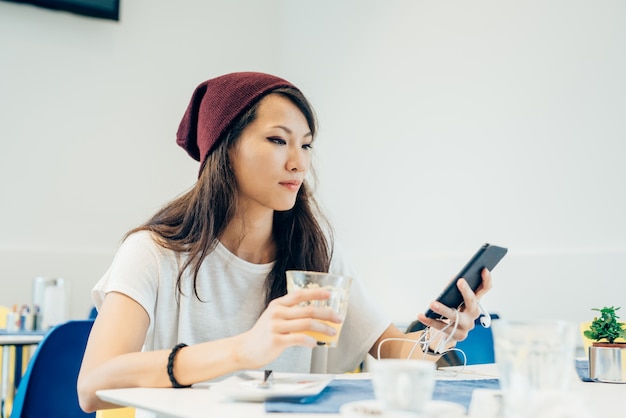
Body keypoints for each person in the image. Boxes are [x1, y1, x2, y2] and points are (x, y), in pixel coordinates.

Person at [77, 72, 492, 414]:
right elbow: (93, 384)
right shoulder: (154, 252)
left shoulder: (317, 248)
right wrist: (244, 349)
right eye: (278, 140)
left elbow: (391, 355)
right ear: (225, 147)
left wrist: (439, 333)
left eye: (306, 144)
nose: (299, 162)